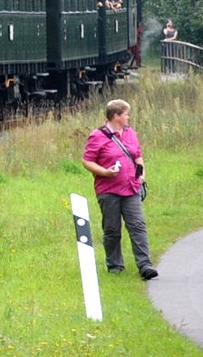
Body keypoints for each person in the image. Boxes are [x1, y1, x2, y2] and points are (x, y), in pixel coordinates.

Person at [82, 99, 156, 279]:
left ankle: (145, 265)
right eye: (125, 114)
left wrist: (141, 175)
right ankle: (115, 265)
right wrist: (104, 172)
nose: (128, 117)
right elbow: (87, 160)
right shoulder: (97, 136)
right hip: (109, 191)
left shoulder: (130, 133)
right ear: (116, 116)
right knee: (112, 229)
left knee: (137, 226)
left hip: (131, 188)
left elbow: (137, 156)